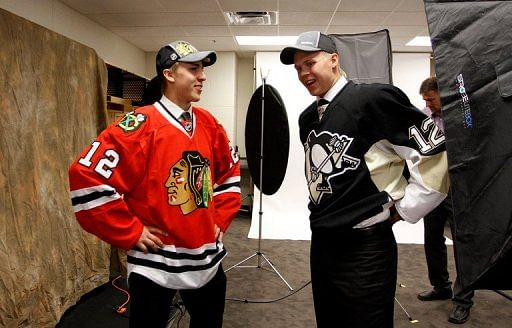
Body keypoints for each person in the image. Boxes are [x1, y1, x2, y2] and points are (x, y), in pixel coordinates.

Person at [280, 31, 449, 327]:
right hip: (322, 243)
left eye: (310, 63)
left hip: (365, 250)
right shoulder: (308, 118)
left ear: (333, 60)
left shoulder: (372, 100)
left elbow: (435, 154)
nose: (304, 73)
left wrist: (407, 209)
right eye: (298, 68)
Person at [68, 40, 241, 328]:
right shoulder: (139, 125)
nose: (203, 76)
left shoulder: (209, 123)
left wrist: (220, 218)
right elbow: (86, 176)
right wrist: (130, 231)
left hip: (206, 261)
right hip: (155, 266)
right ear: (169, 74)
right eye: (193, 68)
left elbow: (229, 173)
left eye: (203, 69)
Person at [417, 76, 474, 324]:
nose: (427, 104)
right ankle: (441, 286)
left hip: (457, 187)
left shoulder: (462, 116)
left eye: (430, 99)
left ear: (442, 94)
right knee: (432, 237)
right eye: (425, 100)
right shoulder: (424, 115)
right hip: (432, 186)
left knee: (462, 244)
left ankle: (463, 300)